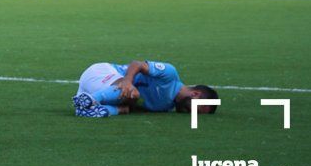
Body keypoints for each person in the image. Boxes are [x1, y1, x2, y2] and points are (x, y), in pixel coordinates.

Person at [72, 60, 219, 118]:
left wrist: (123, 109)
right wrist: (128, 82)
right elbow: (137, 64)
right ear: (195, 94)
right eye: (197, 109)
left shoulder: (165, 107)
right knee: (133, 93)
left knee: (128, 105)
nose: (193, 113)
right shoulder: (170, 74)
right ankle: (93, 100)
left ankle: (86, 107)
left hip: (98, 89)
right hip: (100, 73)